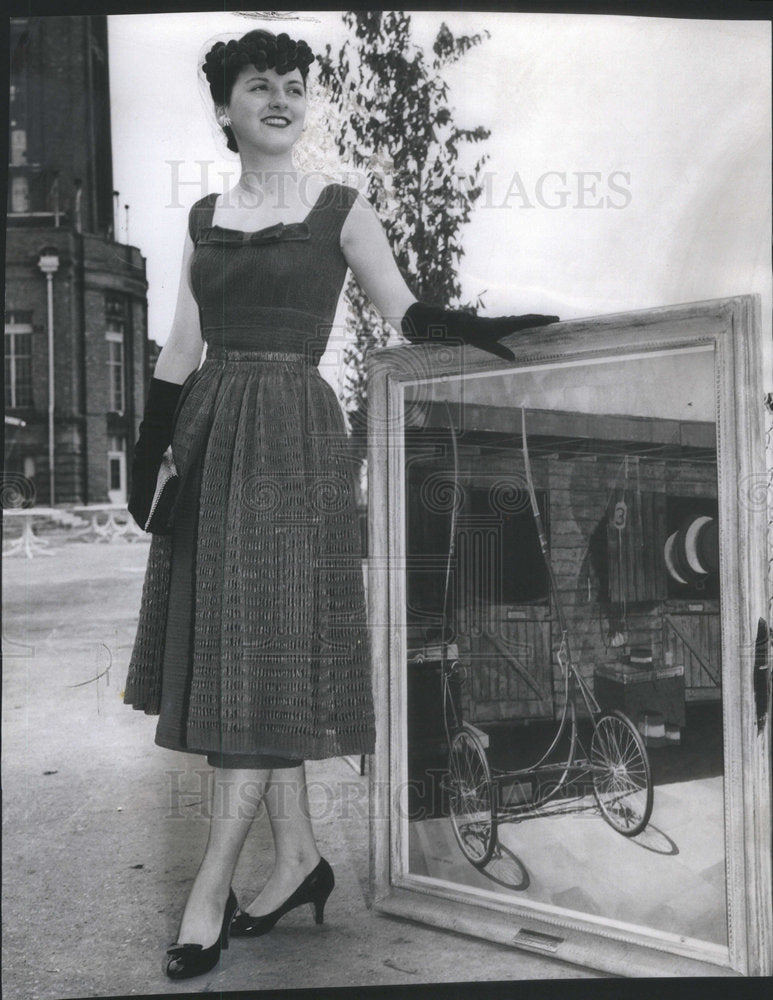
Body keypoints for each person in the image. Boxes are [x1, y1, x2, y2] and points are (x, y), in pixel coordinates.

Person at [123, 27, 557, 981]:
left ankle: (210, 889)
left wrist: (477, 328)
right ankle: (300, 860)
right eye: (258, 86)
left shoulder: (340, 210)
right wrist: (146, 456)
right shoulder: (200, 218)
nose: (279, 97)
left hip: (296, 445)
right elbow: (179, 351)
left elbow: (405, 312)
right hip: (210, 440)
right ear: (225, 108)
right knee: (241, 654)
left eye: (292, 85)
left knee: (263, 649)